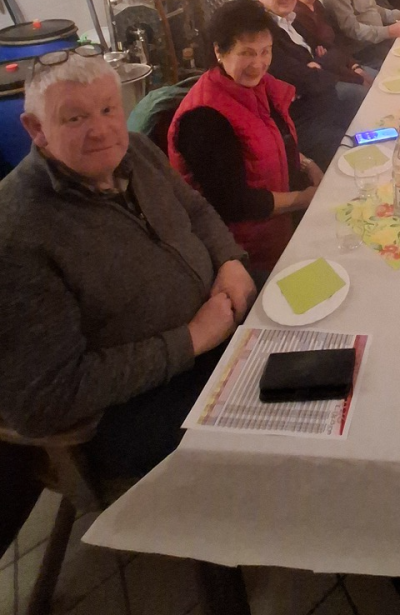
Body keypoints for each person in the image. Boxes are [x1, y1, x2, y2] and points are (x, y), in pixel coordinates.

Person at [0, 51, 254, 478]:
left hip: (219, 317)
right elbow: (43, 399)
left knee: (327, 331)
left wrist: (230, 260)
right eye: (75, 118)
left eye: (108, 109)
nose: (101, 131)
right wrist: (191, 339)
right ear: (36, 129)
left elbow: (195, 210)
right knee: (281, 441)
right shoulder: (17, 231)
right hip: (144, 401)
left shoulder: (135, 150)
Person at [169, 1, 322, 274]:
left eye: (265, 51)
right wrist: (304, 199)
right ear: (219, 51)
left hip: (282, 229)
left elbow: (272, 143)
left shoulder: (257, 87)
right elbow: (233, 203)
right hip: (249, 256)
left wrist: (308, 165)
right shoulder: (203, 118)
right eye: (246, 53)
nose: (258, 64)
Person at [254, 0, 364, 161]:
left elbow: (333, 49)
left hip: (325, 102)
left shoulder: (291, 20)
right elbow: (306, 80)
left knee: (375, 117)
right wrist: (320, 65)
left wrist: (318, 65)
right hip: (303, 121)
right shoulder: (261, 33)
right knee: (359, 152)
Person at [290, 0, 373, 90]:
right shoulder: (296, 14)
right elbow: (322, 62)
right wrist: (356, 76)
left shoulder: (318, 6)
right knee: (366, 92)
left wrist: (355, 66)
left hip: (345, 65)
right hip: (330, 77)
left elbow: (337, 43)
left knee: (382, 77)